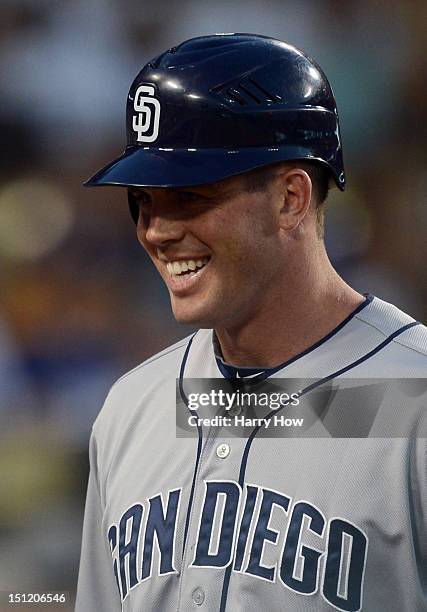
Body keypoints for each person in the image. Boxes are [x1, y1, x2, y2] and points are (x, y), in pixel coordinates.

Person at [75, 34, 426, 612]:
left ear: (290, 198)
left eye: (188, 196)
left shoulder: (412, 401)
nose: (156, 231)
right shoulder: (132, 408)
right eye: (143, 199)